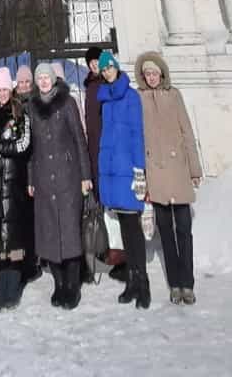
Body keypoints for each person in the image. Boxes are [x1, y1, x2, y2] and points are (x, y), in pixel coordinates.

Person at [135, 51, 203, 305]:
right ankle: (175, 283)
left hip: (178, 171)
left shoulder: (174, 96)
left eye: (155, 73)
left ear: (162, 74)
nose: (151, 77)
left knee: (184, 229)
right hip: (156, 173)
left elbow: (187, 131)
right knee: (165, 231)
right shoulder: (139, 98)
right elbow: (137, 138)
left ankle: (188, 282)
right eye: (147, 74)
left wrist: (194, 169)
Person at [28, 64, 92, 310]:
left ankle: (72, 286)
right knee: (49, 234)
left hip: (68, 176)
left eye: (47, 77)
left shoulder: (67, 103)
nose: (43, 81)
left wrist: (85, 175)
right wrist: (31, 179)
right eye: (40, 78)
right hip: (44, 179)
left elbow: (79, 138)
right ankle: (58, 284)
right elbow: (32, 147)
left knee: (69, 231)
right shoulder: (32, 107)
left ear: (54, 80)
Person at [97, 51, 150, 309]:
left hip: (127, 172)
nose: (107, 72)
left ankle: (143, 284)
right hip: (112, 173)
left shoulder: (131, 97)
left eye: (110, 68)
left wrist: (140, 171)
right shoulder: (105, 100)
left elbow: (137, 136)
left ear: (117, 68)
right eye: (103, 70)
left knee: (133, 229)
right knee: (124, 232)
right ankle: (131, 281)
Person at [0, 67, 32, 312]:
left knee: (13, 233)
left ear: (10, 89)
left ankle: (12, 289)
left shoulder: (19, 110)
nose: (2, 93)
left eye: (5, 89)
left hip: (14, 180)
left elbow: (23, 143)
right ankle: (2, 286)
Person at [83, 47, 103, 194]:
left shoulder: (109, 82)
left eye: (96, 60)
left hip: (106, 137)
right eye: (91, 62)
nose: (94, 64)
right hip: (94, 139)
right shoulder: (89, 85)